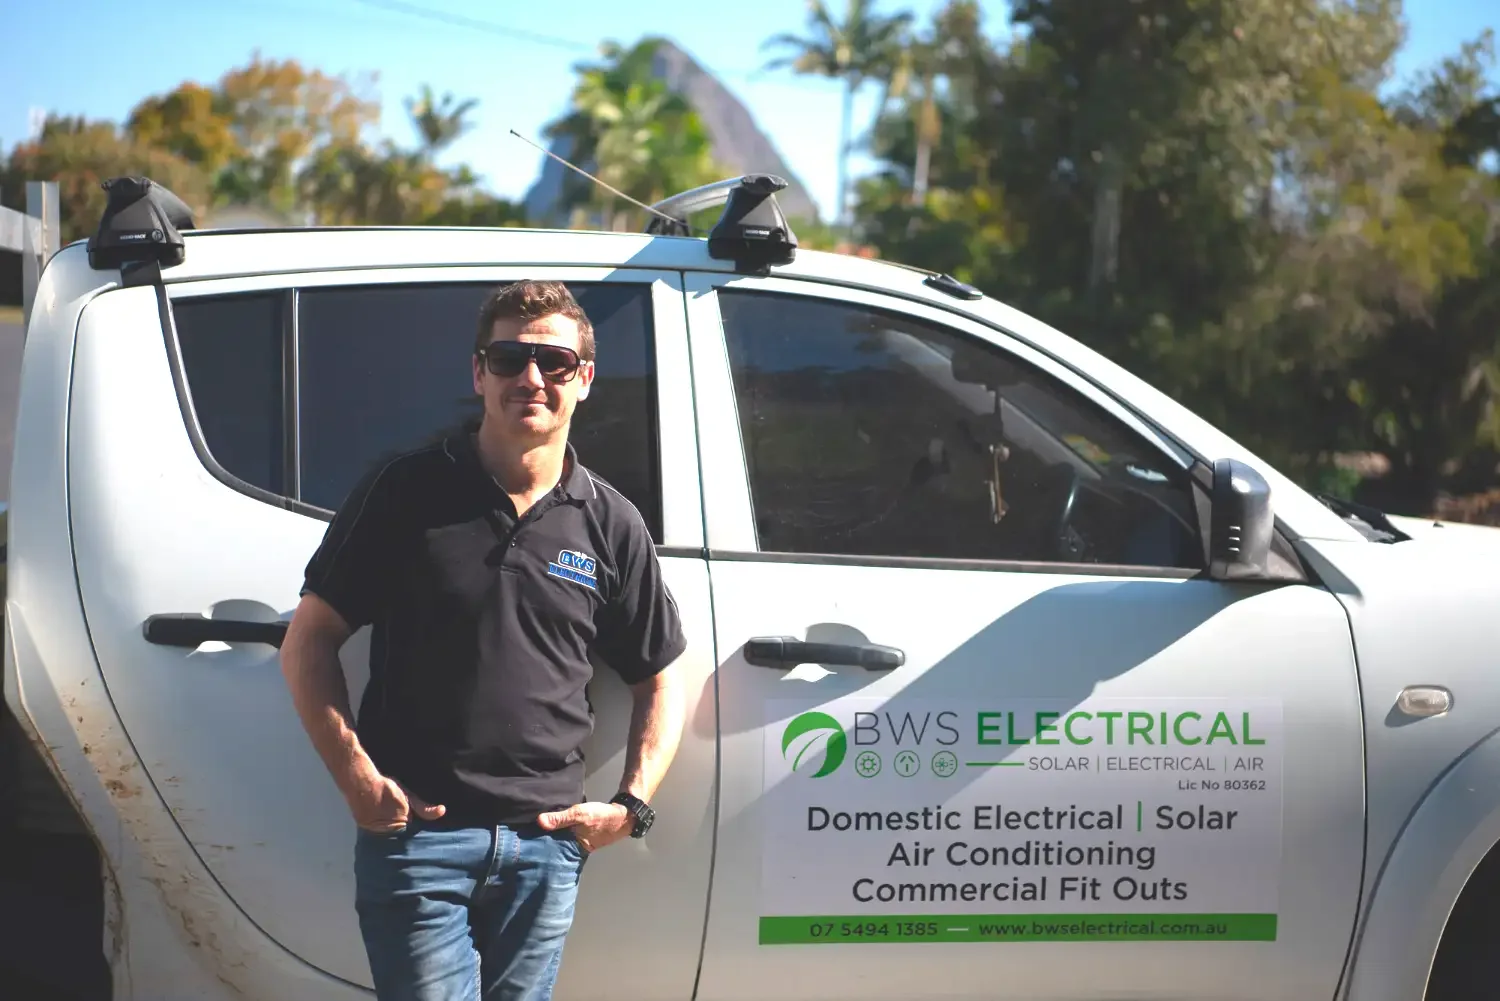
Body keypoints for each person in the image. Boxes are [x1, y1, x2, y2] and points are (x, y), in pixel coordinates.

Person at [279, 279, 688, 1001]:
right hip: (420, 839)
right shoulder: (405, 491)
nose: (531, 377)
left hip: (548, 844)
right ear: (479, 372)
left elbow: (659, 674)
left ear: (584, 379)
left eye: (555, 363)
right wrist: (357, 779)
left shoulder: (610, 521)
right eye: (509, 358)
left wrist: (629, 805)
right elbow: (309, 640)